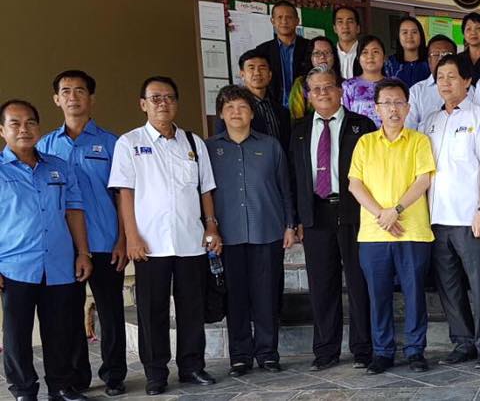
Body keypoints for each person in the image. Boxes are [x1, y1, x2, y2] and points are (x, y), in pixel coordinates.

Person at [107, 76, 222, 395]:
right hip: (150, 244)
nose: (163, 103)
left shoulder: (193, 143)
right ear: (143, 104)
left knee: (191, 309)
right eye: (155, 98)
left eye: (169, 97)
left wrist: (211, 225)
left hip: (190, 241)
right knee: (152, 311)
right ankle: (155, 373)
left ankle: (192, 366)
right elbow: (125, 193)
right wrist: (131, 236)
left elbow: (205, 189)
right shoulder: (129, 143)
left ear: (177, 103)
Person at [37, 71, 126, 397]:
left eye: (80, 91)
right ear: (56, 99)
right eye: (65, 91)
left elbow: (123, 196)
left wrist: (123, 239)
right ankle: (77, 377)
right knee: (68, 314)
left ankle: (114, 374)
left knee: (111, 312)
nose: (73, 97)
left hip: (106, 241)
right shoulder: (45, 145)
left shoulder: (112, 143)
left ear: (91, 98)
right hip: (65, 247)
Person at [0, 99, 93, 401]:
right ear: (2, 130)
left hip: (59, 264)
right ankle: (24, 390)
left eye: (30, 122)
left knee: (60, 330)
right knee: (17, 334)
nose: (24, 129)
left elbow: (74, 210)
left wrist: (83, 253)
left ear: (38, 128)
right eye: (15, 123)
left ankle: (60, 386)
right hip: (15, 267)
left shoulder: (58, 167)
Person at [289, 67, 377, 370]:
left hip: (354, 211)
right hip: (316, 213)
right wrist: (296, 218)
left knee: (359, 282)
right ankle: (325, 350)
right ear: (308, 96)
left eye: (328, 87)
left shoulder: (361, 125)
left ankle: (363, 348)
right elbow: (295, 177)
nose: (323, 93)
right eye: (316, 89)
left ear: (340, 90)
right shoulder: (299, 130)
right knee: (322, 286)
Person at [206, 85, 297, 377]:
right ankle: (240, 356)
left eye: (242, 107)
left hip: (267, 231)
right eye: (230, 108)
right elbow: (203, 192)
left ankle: (268, 354)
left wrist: (290, 224)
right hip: (228, 236)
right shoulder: (209, 149)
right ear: (221, 114)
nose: (236, 112)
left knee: (267, 296)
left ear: (252, 113)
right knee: (236, 298)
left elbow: (285, 188)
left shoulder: (271, 146)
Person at [348, 79, 436, 374]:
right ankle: (382, 351)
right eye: (386, 103)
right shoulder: (365, 143)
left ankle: (415, 350)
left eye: (399, 102)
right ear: (377, 109)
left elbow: (423, 180)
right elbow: (355, 185)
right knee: (378, 295)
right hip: (374, 234)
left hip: (413, 231)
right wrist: (382, 215)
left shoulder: (419, 141)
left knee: (414, 294)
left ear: (408, 107)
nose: (393, 109)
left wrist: (395, 211)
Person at [421, 55, 480, 368]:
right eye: (440, 77)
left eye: (452, 76)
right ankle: (463, 342)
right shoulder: (429, 121)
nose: (445, 83)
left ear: (467, 81)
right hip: (436, 219)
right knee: (449, 286)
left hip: (470, 218)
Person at [216, 50, 291, 147]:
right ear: (242, 75)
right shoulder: (233, 109)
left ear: (270, 75)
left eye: (262, 68)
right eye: (251, 68)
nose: (257, 73)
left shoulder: (282, 111)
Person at [252, 0, 312, 107]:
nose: (284, 21)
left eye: (289, 17)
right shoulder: (263, 50)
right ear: (272, 21)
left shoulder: (310, 47)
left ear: (297, 21)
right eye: (279, 17)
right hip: (273, 108)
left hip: (305, 107)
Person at [406, 35, 458, 130]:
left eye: (446, 54)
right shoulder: (416, 92)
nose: (441, 59)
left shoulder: (467, 89)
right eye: (435, 54)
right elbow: (409, 129)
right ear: (429, 60)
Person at [289, 36, 342, 120]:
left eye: (327, 52)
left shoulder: (344, 83)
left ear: (334, 56)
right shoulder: (301, 83)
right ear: (310, 57)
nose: (322, 57)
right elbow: (297, 117)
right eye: (317, 53)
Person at [342, 35, 387, 126]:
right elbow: (344, 118)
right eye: (365, 52)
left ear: (384, 57)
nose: (370, 56)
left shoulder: (394, 85)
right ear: (358, 58)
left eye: (375, 51)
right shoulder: (348, 86)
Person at [385, 16, 431, 87]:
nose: (409, 36)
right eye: (405, 32)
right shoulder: (389, 64)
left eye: (414, 32)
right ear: (398, 37)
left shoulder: (430, 62)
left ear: (421, 35)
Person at [455, 12, 480, 84]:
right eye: (468, 29)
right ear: (463, 34)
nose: (473, 32)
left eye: (478, 28)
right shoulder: (457, 60)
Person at [334, 6, 361, 79]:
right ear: (335, 28)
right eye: (340, 22)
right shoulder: (329, 55)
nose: (345, 26)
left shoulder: (366, 54)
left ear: (358, 28)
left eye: (350, 22)